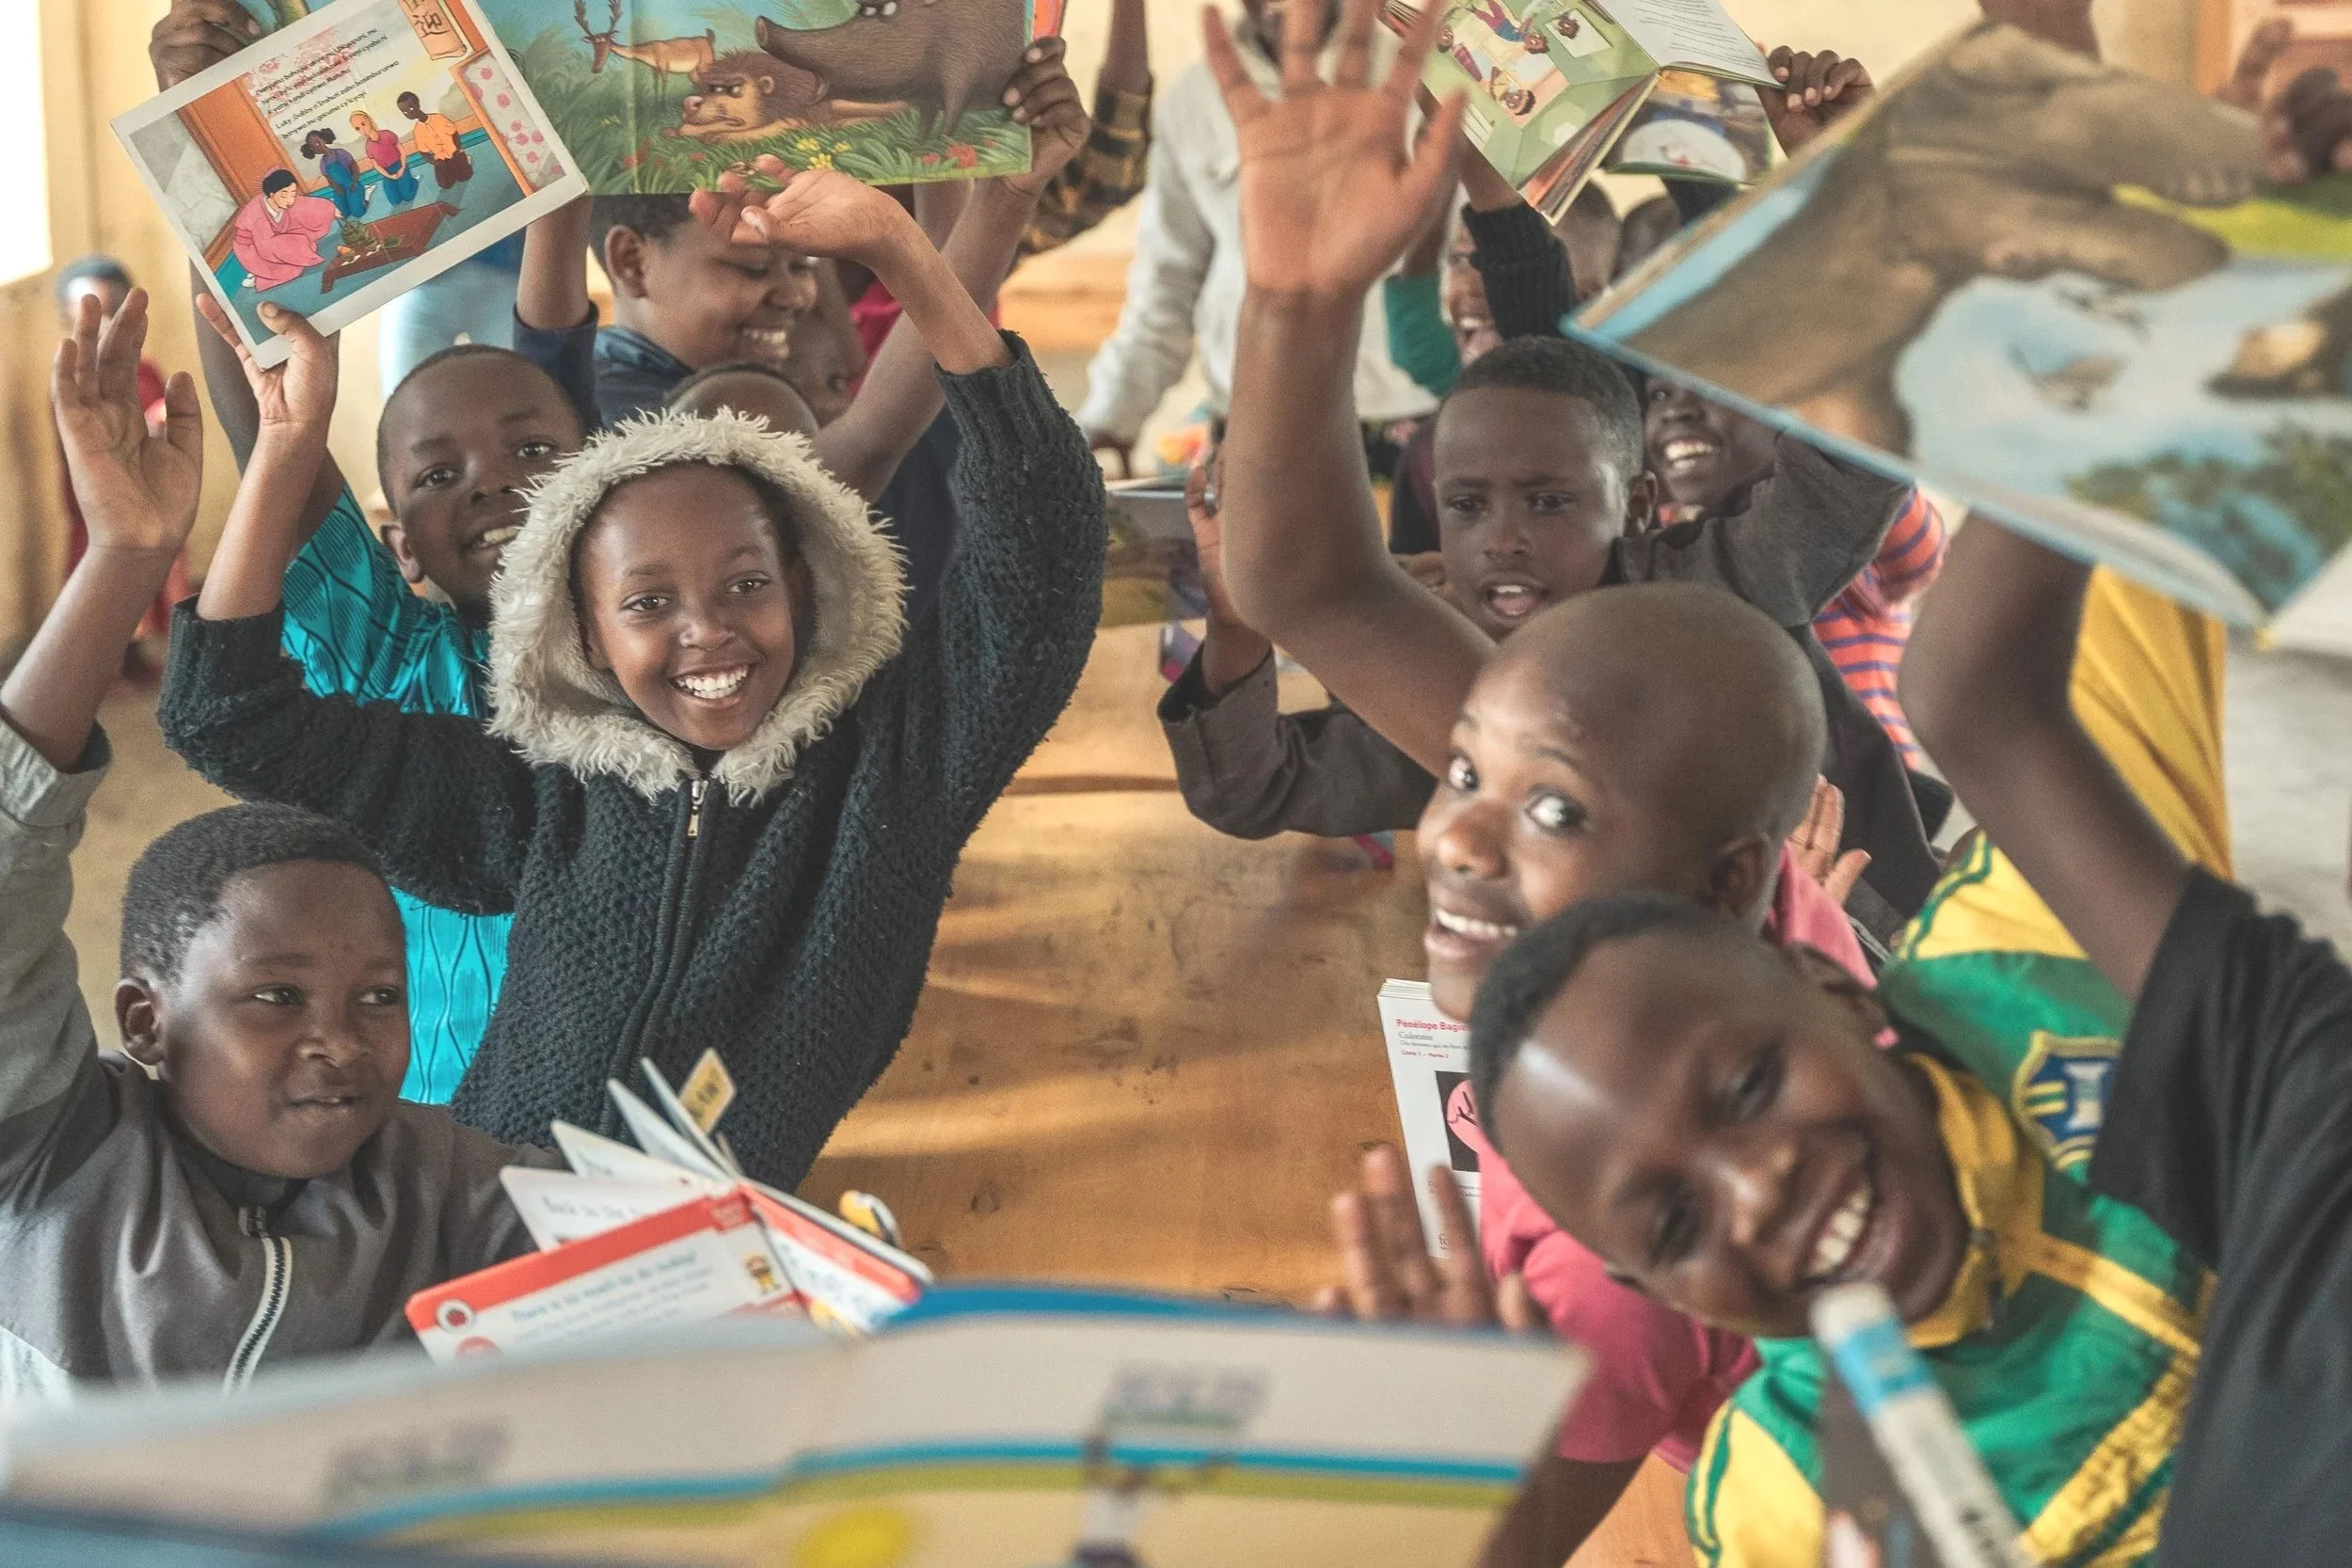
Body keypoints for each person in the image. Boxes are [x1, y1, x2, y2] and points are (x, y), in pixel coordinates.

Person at [158, 169, 1106, 1188]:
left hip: (698, 1254)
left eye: (744, 582)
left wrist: (903, 249)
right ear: (587, 632)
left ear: (801, 579)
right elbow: (227, 716)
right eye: (648, 604)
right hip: (473, 1225)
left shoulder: (894, 777)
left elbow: (1042, 558)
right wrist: (291, 445)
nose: (706, 632)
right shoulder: (543, 794)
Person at [0, 288, 550, 1401]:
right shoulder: (57, 1152)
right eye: (274, 997)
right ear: (146, 1016)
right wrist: (121, 560)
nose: (337, 1043)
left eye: (378, 997)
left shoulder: (442, 1179)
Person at [512, 42, 1089, 618]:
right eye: (751, 267)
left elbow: (903, 383)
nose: (793, 295)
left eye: (803, 265)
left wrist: (963, 151)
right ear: (633, 263)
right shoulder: (609, 422)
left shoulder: (782, 379)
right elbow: (549, 349)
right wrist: (558, 170)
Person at [1073, 0, 1436, 470]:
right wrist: (1113, 413)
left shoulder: (1415, 86)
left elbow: (1470, 264)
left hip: (1403, 421)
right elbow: (1168, 281)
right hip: (1250, 424)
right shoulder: (1194, 99)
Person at [1645, 379, 1950, 773]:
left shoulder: (1842, 521)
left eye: (1713, 384)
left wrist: (1821, 439)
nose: (1676, 410)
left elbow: (1918, 551)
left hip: (1866, 802)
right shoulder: (1662, 543)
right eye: (1659, 395)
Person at [51, 256, 186, 679]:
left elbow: (157, 415)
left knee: (149, 571)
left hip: (142, 483)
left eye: (111, 308)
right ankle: (100, 665)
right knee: (101, 578)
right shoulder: (69, 380)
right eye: (87, 310)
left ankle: (135, 656)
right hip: (97, 494)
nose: (101, 321)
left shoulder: (145, 369)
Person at [230, 169, 338, 292]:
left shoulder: (282, 201)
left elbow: (307, 204)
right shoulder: (257, 216)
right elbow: (266, 248)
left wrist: (330, 208)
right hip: (253, 249)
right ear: (271, 194)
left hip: (277, 239)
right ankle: (259, 275)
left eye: (293, 194)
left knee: (301, 238)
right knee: (291, 267)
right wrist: (294, 246)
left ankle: (287, 256)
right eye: (284, 195)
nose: (290, 200)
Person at [395, 91, 470, 214]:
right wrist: (434, 162)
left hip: (455, 154)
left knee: (465, 176)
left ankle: (465, 161)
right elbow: (423, 152)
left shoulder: (438, 118)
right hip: (441, 161)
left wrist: (458, 149)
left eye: (410, 107)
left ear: (417, 104)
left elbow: (454, 133)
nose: (409, 112)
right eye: (405, 112)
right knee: (445, 185)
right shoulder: (417, 131)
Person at [352, 109, 419, 208]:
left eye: (363, 124)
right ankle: (404, 182)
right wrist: (389, 176)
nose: (362, 129)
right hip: (387, 172)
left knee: (408, 196)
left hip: (399, 165)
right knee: (395, 201)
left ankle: (413, 181)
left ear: (368, 120)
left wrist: (402, 167)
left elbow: (402, 151)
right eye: (357, 128)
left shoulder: (387, 134)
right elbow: (376, 165)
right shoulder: (368, 146)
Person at [299, 129, 368, 219]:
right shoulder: (323, 163)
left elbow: (355, 168)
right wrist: (337, 189)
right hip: (340, 189)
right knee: (344, 214)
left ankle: (363, 202)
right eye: (313, 146)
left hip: (352, 185)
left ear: (323, 140)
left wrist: (354, 182)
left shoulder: (340, 153)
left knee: (358, 213)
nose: (317, 147)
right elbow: (330, 180)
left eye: (317, 143)